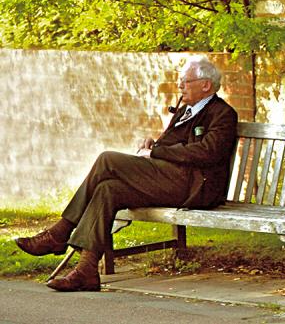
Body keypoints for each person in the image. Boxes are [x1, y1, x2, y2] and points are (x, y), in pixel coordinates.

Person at [15, 56, 238, 292]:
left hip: (195, 187)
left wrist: (157, 152)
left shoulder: (222, 113)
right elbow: (170, 145)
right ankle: (86, 270)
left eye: (185, 81)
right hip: (171, 179)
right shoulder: (185, 110)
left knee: (107, 159)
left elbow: (207, 152)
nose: (180, 85)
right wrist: (154, 144)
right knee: (108, 189)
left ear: (206, 85)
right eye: (180, 81)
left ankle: (60, 232)